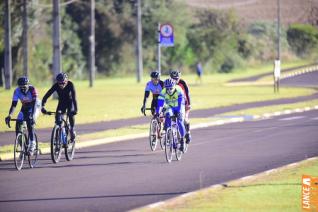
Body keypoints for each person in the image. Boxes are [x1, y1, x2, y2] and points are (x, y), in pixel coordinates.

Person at [5, 76, 40, 154]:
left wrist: (33, 116)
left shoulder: (32, 89)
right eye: (20, 87)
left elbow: (34, 103)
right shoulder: (16, 91)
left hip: (35, 106)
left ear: (28, 85)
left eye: (24, 86)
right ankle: (23, 147)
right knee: (18, 125)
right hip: (25, 107)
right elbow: (14, 104)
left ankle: (32, 143)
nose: (22, 88)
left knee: (29, 121)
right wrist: (10, 115)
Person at [41, 72, 78, 141]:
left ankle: (72, 129)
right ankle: (59, 134)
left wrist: (75, 109)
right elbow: (47, 95)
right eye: (59, 83)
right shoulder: (56, 85)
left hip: (70, 102)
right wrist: (42, 106)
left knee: (70, 114)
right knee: (58, 119)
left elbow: (74, 98)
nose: (61, 85)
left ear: (66, 81)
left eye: (63, 83)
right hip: (62, 103)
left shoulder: (70, 84)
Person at [155, 78, 186, 151]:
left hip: (179, 106)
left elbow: (180, 102)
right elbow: (160, 104)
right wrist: (158, 112)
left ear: (174, 86)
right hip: (169, 107)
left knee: (179, 121)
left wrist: (178, 112)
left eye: (171, 88)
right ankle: (168, 133)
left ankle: (182, 140)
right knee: (168, 116)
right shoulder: (163, 92)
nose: (169, 90)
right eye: (167, 89)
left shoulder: (178, 90)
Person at [169, 69, 192, 144]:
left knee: (185, 119)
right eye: (173, 78)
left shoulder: (183, 83)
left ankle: (188, 133)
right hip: (174, 103)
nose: (175, 80)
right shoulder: (169, 84)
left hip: (184, 103)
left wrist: (188, 104)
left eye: (177, 79)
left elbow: (187, 94)